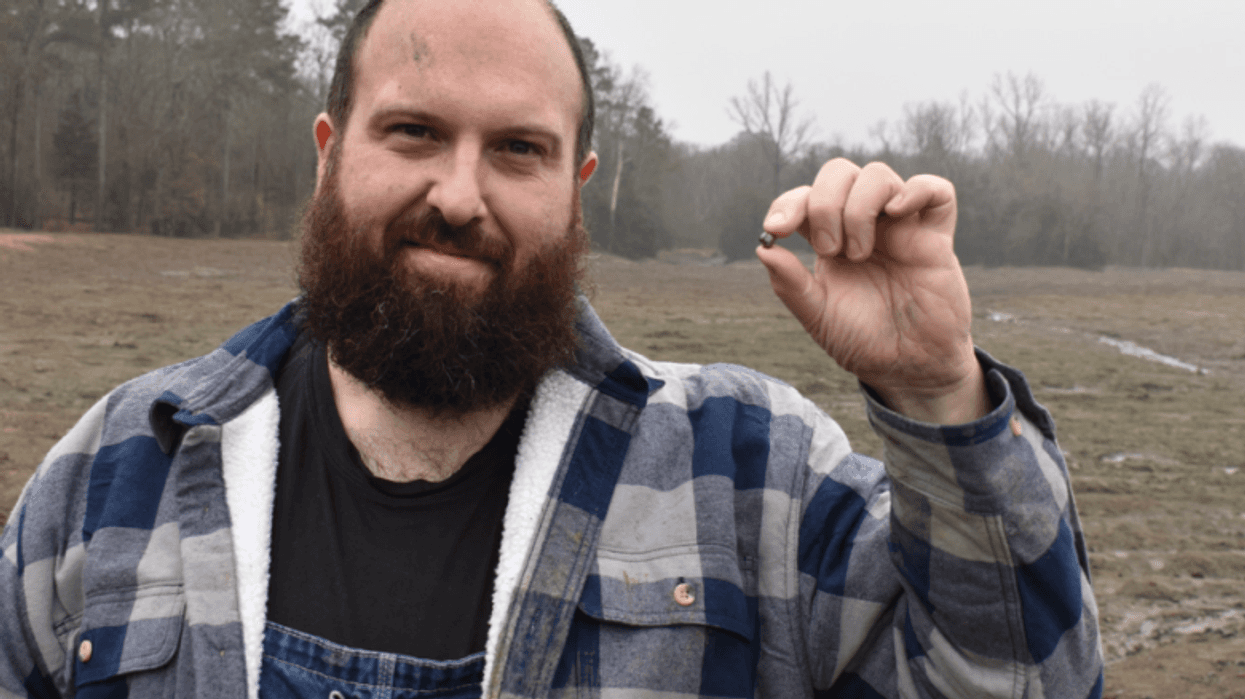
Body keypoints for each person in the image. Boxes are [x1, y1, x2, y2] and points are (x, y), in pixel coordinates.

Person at [0, 0, 1103, 697]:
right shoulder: (117, 473)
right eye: (416, 131)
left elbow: (1019, 681)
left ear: (577, 191)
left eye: (518, 150)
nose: (460, 195)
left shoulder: (748, 472)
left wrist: (935, 392)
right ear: (330, 156)